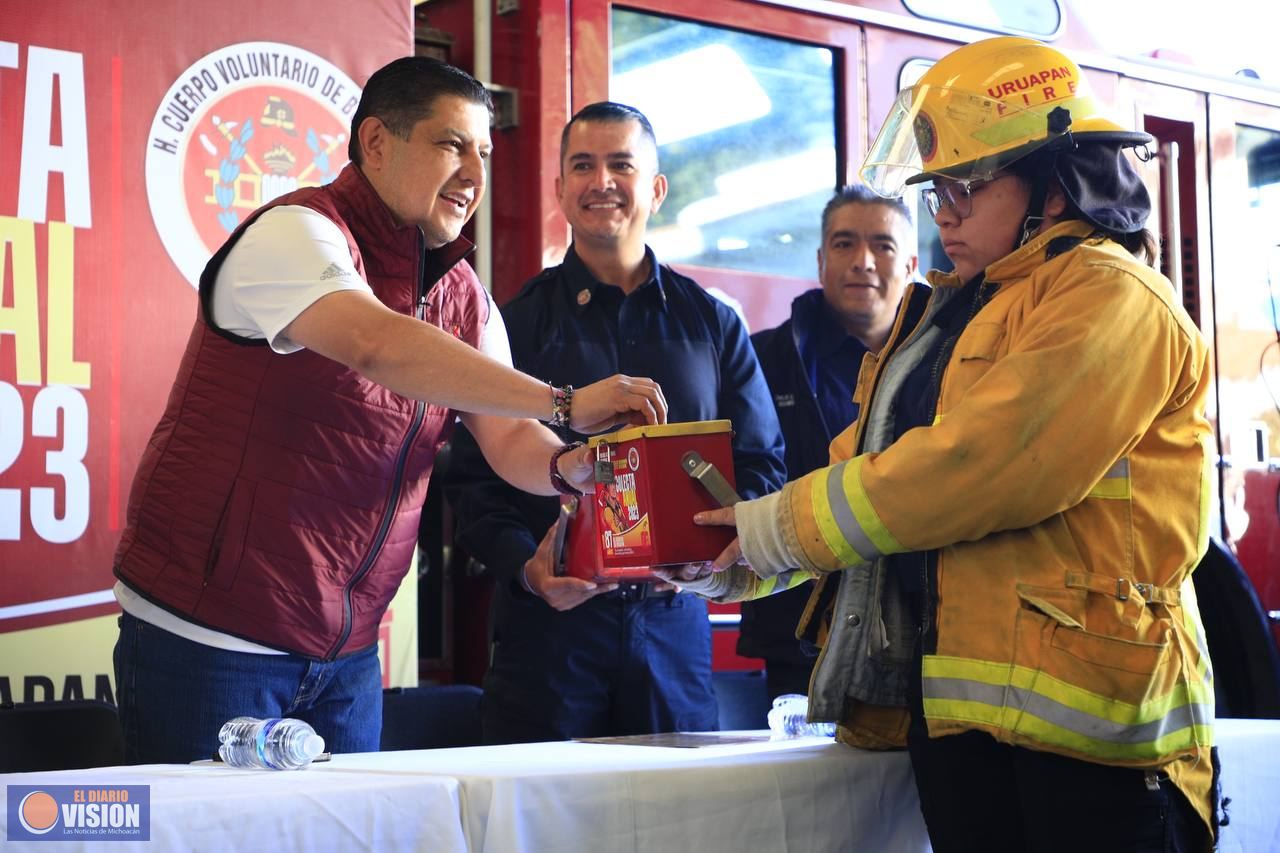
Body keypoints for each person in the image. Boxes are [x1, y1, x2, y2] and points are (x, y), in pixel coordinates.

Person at [670, 36, 1220, 852]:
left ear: (1055, 180)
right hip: (964, 727)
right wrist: (746, 557)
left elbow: (979, 466)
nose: (947, 214)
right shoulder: (951, 314)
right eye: (938, 194)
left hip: (1097, 741)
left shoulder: (1110, 293)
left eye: (967, 186)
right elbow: (865, 478)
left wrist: (773, 529)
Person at [111, 58, 668, 764]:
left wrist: (573, 466)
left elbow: (507, 440)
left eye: (485, 153)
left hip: (347, 659)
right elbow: (375, 343)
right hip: (211, 638)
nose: (474, 173)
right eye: (451, 145)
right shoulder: (297, 231)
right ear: (376, 143)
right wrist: (565, 401)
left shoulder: (462, 289)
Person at [444, 101, 786, 743]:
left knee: (678, 826)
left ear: (655, 189)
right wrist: (527, 569)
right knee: (542, 823)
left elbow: (763, 465)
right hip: (547, 633)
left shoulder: (713, 325)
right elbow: (470, 483)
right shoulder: (509, 326)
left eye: (620, 164)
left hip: (675, 623)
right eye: (583, 165)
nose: (601, 181)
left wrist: (713, 558)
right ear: (560, 190)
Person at [739, 185, 917, 701]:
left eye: (882, 246)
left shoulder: (946, 365)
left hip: (914, 631)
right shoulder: (761, 361)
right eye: (844, 244)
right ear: (820, 261)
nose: (862, 261)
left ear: (909, 265)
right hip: (794, 634)